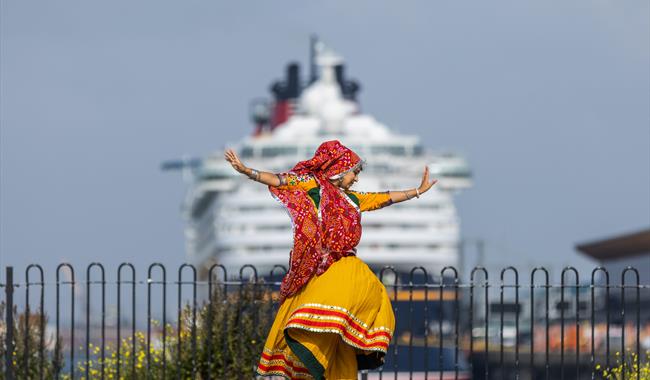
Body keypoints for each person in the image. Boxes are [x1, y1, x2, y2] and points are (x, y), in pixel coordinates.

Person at [224, 140, 437, 379]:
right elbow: (278, 180)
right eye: (354, 173)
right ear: (341, 170)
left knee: (368, 304)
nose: (356, 179)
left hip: (348, 268)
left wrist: (417, 191)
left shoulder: (352, 199)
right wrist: (247, 171)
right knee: (319, 322)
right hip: (326, 270)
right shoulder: (312, 186)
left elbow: (384, 197)